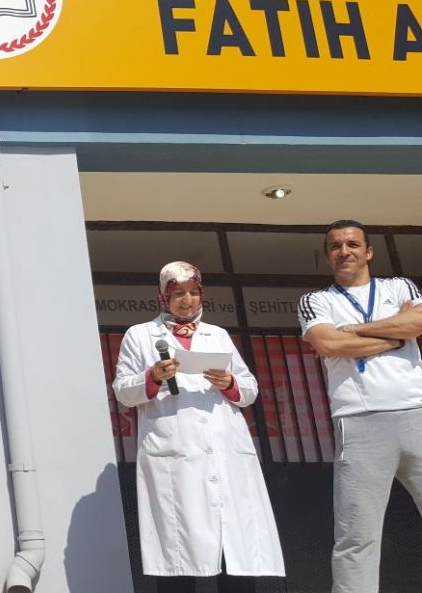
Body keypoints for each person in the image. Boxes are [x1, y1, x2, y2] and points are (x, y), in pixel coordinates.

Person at [113, 261, 284, 593]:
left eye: (193, 292)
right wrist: (154, 376)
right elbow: (123, 390)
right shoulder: (140, 335)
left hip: (224, 452)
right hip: (175, 456)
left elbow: (249, 390)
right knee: (179, 553)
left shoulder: (217, 335)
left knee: (234, 549)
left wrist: (229, 382)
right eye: (178, 293)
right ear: (163, 297)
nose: (187, 300)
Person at [297, 220, 422, 593]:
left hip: (416, 412)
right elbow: (329, 345)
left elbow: (417, 321)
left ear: (368, 251)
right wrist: (395, 335)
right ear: (328, 256)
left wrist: (354, 329)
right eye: (335, 246)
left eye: (352, 244)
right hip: (358, 421)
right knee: (357, 535)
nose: (344, 251)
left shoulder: (399, 287)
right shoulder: (316, 300)